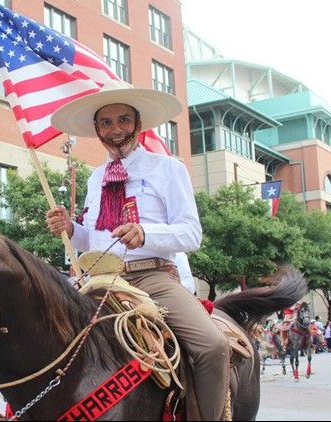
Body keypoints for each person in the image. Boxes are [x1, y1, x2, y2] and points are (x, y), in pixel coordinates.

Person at [46, 80, 228, 421]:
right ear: (97, 130)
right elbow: (96, 239)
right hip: (99, 282)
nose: (116, 130)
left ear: (138, 125)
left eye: (123, 120)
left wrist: (145, 234)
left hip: (151, 279)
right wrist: (71, 228)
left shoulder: (168, 169)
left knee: (213, 347)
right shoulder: (95, 178)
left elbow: (191, 233)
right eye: (106, 122)